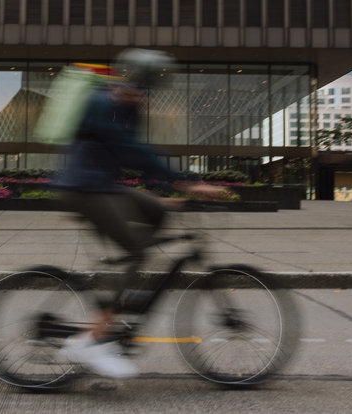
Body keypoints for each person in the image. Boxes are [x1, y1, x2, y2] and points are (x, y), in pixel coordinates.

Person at [56, 49, 228, 378]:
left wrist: (162, 194)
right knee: (138, 251)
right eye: (137, 88)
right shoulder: (100, 103)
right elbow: (130, 149)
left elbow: (133, 152)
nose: (140, 96)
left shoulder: (130, 109)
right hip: (82, 188)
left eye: (146, 91)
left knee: (155, 213)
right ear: (125, 80)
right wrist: (186, 183)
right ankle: (91, 339)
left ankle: (124, 291)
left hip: (103, 185)